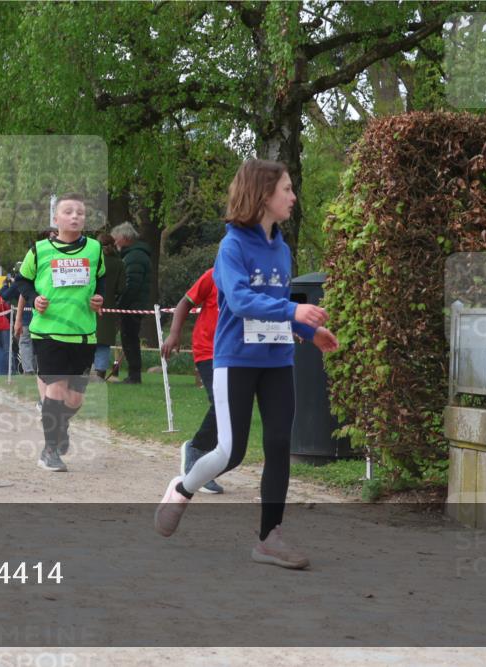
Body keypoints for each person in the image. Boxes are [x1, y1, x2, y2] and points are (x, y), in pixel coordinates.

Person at [154, 160, 339, 570]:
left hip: (277, 360)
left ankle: (269, 538)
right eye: (287, 189)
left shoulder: (283, 248)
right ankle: (182, 488)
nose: (293, 197)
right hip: (235, 360)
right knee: (231, 451)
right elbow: (239, 302)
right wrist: (295, 311)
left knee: (278, 446)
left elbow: (276, 307)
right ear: (263, 194)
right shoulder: (231, 246)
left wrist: (310, 334)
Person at [15, 193, 105, 472]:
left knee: (75, 399)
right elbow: (23, 281)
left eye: (80, 212)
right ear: (56, 219)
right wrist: (33, 299)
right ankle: (50, 450)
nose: (75, 216)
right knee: (55, 389)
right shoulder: (39, 250)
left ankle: (60, 425)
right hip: (49, 332)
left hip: (83, 332)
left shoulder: (94, 249)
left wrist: (99, 297)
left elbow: (100, 280)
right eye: (68, 212)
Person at [161, 268, 224, 494]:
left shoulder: (257, 277)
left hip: (238, 352)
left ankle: (208, 462)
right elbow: (184, 303)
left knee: (234, 408)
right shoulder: (213, 275)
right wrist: (174, 333)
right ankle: (196, 451)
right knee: (220, 402)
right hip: (209, 351)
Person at [111, 221, 152, 384]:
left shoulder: (134, 256)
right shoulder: (135, 255)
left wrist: (120, 305)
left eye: (116, 239)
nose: (115, 243)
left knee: (130, 339)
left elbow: (131, 285)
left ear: (125, 238)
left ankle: (134, 375)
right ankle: (133, 374)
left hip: (132, 307)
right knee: (129, 339)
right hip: (134, 305)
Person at [94, 233, 126, 380]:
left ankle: (86, 372)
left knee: (87, 340)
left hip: (90, 304)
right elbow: (121, 288)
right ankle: (100, 375)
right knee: (103, 344)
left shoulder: (93, 261)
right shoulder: (119, 263)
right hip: (108, 307)